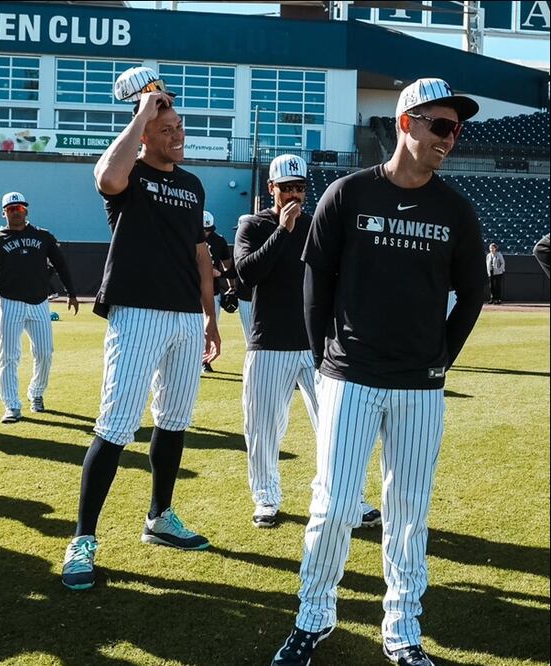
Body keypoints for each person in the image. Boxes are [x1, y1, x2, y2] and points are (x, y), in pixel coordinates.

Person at [271, 78, 486, 666]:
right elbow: (317, 283)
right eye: (440, 125)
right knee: (334, 505)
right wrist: (323, 359)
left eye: (456, 128)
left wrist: (442, 355)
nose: (451, 136)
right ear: (406, 124)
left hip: (420, 386)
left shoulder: (456, 210)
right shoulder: (346, 195)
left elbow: (471, 294)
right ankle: (312, 618)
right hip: (350, 377)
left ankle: (402, 629)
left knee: (408, 514)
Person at [61, 69, 219, 592]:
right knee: (115, 426)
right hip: (137, 312)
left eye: (179, 128)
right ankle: (83, 539)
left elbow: (200, 256)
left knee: (173, 420)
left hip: (183, 316)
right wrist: (144, 113)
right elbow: (106, 177)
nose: (178, 136)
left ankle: (160, 517)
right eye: (167, 128)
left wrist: (210, 316)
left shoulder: (192, 184)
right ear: (145, 131)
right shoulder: (129, 175)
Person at [235, 155, 379, 530]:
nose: (295, 194)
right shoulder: (253, 224)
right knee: (263, 428)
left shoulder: (318, 225)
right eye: (287, 188)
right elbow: (247, 274)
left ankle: (347, 497)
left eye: (299, 187)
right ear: (272, 189)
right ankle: (265, 498)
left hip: (317, 346)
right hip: (268, 343)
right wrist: (282, 232)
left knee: (337, 426)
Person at [0, 191, 78, 423]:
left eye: (20, 208)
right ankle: (11, 405)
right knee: (9, 356)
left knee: (45, 353)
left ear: (27, 210)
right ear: (3, 212)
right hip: (10, 302)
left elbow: (61, 264)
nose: (16, 212)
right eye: (11, 209)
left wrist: (72, 293)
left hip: (40, 303)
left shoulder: (43, 236)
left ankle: (36, 393)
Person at [202, 211, 232, 372]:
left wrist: (231, 287)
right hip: (190, 292)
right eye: (203, 229)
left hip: (212, 291)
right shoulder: (187, 237)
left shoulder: (219, 241)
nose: (206, 233)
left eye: (208, 230)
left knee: (210, 326)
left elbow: (227, 265)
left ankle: (204, 361)